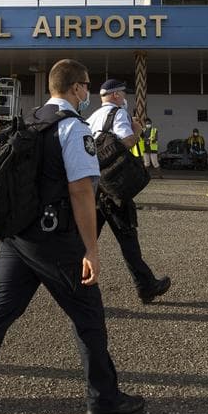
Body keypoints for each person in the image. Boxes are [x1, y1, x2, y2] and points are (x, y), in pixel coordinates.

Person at [0, 60, 145, 414]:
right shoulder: (72, 128)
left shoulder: (28, 121)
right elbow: (81, 191)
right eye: (87, 87)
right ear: (77, 89)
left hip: (17, 239)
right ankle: (104, 400)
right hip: (56, 242)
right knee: (89, 318)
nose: (88, 93)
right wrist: (91, 250)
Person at [87, 79, 172, 304]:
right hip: (114, 189)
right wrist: (136, 131)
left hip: (95, 187)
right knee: (128, 239)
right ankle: (146, 286)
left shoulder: (92, 117)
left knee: (87, 241)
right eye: (123, 94)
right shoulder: (118, 114)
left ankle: (75, 285)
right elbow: (124, 141)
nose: (125, 98)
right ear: (115, 95)